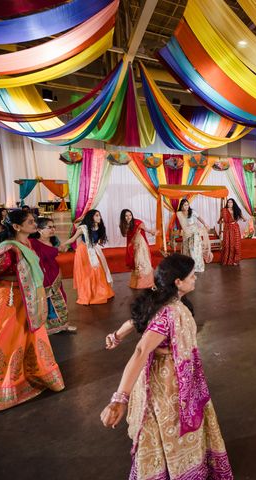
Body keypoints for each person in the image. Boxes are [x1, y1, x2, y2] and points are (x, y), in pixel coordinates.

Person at [100, 254, 233, 479]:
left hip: (181, 375)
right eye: (192, 276)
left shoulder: (166, 301)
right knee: (170, 427)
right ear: (178, 282)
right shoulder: (169, 313)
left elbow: (137, 319)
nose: (196, 279)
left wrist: (117, 334)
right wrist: (119, 399)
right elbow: (142, 351)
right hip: (167, 383)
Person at [0, 209, 64, 413]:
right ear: (16, 227)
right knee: (4, 341)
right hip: (6, 301)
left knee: (25, 340)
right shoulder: (9, 249)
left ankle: (29, 375)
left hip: (26, 299)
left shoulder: (27, 244)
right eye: (30, 222)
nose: (34, 224)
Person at [30, 217, 76, 334]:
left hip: (54, 272)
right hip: (42, 275)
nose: (52, 229)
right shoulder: (33, 243)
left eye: (53, 227)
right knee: (46, 300)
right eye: (49, 227)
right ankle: (47, 326)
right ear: (39, 230)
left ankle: (64, 324)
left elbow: (62, 250)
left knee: (61, 297)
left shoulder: (54, 240)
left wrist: (75, 237)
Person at [63, 209, 114, 305]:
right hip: (84, 251)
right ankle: (88, 295)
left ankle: (98, 293)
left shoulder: (99, 227)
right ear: (91, 217)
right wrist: (62, 245)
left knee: (98, 270)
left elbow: (98, 240)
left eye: (99, 215)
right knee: (88, 273)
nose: (99, 217)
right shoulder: (83, 228)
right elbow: (73, 239)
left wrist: (98, 244)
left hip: (93, 250)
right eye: (97, 215)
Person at [120, 209, 155, 289]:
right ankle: (137, 282)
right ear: (123, 217)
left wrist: (151, 231)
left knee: (141, 261)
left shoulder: (137, 222)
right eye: (126, 216)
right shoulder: (125, 225)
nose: (129, 217)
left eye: (130, 215)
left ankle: (146, 282)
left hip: (140, 244)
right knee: (136, 262)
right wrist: (127, 225)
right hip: (134, 245)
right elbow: (125, 235)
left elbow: (146, 229)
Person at [176, 199, 212, 273]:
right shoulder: (179, 213)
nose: (187, 206)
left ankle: (197, 267)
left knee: (194, 250)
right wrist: (180, 231)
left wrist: (205, 224)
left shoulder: (192, 212)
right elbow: (181, 224)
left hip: (194, 233)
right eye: (185, 205)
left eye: (187, 204)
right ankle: (189, 267)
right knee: (187, 250)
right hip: (186, 234)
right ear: (181, 206)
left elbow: (200, 218)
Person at [218, 198, 244, 266]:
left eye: (231, 202)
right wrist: (219, 221)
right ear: (227, 203)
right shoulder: (224, 210)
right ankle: (226, 259)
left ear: (233, 203)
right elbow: (220, 218)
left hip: (235, 228)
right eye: (228, 202)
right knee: (227, 244)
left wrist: (244, 219)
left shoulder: (237, 210)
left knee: (236, 245)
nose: (229, 204)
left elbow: (242, 217)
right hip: (227, 229)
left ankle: (235, 260)